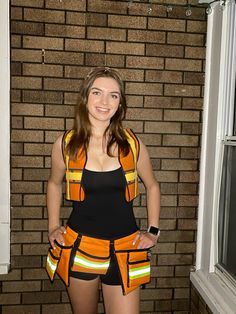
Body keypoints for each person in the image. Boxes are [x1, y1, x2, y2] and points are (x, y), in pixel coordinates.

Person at [46, 67, 161, 314]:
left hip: (126, 249)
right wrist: (53, 226)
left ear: (120, 104)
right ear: (85, 97)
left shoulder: (132, 143)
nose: (104, 101)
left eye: (114, 95)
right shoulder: (65, 144)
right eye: (97, 92)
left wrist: (153, 231)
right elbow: (54, 183)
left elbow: (152, 185)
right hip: (81, 247)